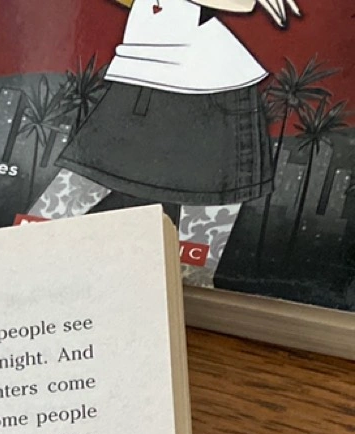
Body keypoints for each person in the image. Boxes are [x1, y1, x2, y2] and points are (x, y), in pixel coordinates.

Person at [26, 0, 301, 285]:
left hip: (215, 89)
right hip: (144, 81)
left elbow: (240, 4)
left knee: (196, 257)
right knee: (55, 208)